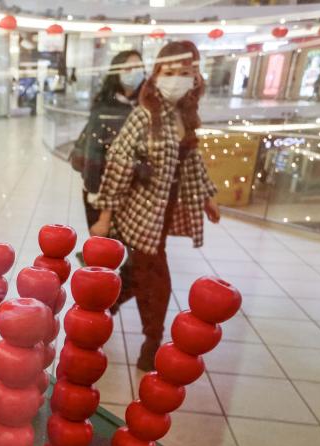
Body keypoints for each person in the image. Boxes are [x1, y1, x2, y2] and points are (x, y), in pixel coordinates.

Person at [90, 40, 220, 371]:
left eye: (185, 73)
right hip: (140, 212)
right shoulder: (143, 116)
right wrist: (104, 216)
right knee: (157, 276)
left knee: (138, 274)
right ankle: (153, 339)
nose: (177, 79)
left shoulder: (185, 116)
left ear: (196, 77)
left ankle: (103, 306)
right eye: (170, 72)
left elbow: (192, 163)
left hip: (167, 210)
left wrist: (207, 197)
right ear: (157, 73)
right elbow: (118, 166)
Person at [81, 50, 145, 228]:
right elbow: (93, 151)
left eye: (139, 67)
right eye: (129, 68)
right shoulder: (104, 105)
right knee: (103, 240)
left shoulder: (149, 105)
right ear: (117, 72)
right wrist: (93, 189)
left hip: (136, 189)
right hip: (103, 182)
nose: (135, 72)